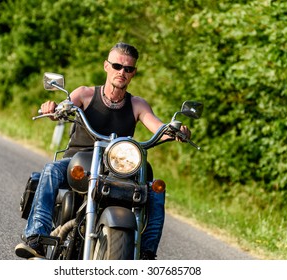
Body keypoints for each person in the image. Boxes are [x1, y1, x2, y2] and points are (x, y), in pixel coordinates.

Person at [15, 42, 191, 260]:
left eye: (128, 69)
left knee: (155, 190)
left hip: (118, 168)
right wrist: (52, 109)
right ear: (106, 66)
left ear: (133, 72)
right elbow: (62, 108)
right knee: (50, 170)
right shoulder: (85, 95)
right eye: (117, 66)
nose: (122, 72)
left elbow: (158, 128)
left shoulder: (137, 104)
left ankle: (146, 253)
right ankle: (36, 237)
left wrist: (177, 130)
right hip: (78, 162)